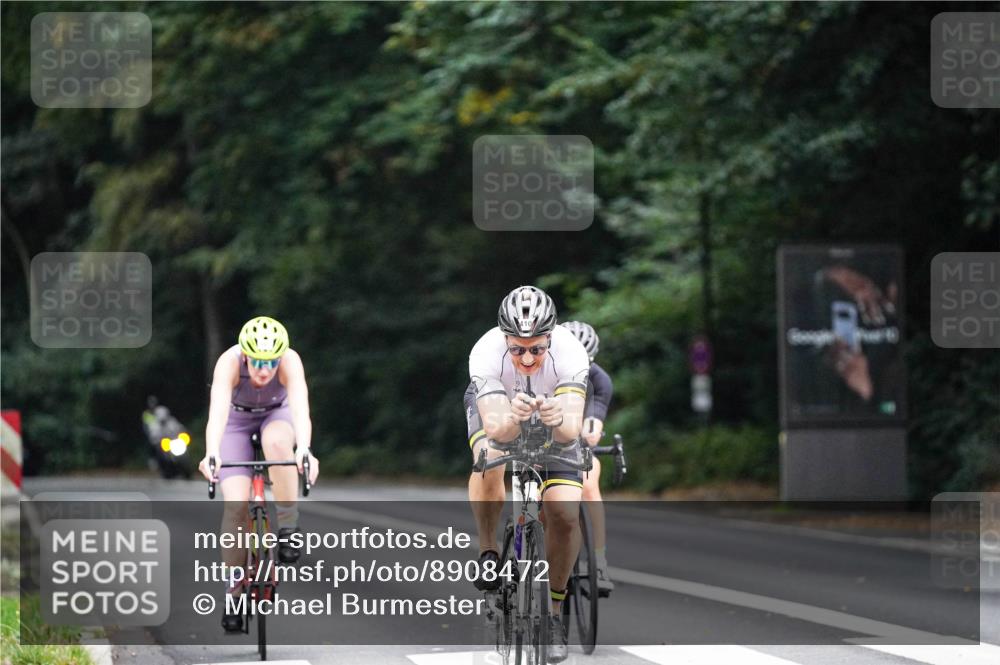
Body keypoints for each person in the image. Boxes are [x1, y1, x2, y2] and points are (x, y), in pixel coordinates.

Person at [466, 286, 589, 663]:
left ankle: (553, 614)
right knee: (488, 457)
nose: (528, 358)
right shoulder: (485, 352)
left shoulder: (571, 351)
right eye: (517, 349)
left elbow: (571, 431)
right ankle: (488, 549)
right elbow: (497, 431)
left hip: (554, 421)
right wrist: (514, 418)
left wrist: (557, 418)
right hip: (501, 412)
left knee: (564, 514)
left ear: (550, 337)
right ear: (504, 339)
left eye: (537, 348)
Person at [198, 316, 320, 633]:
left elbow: (300, 409)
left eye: (271, 362)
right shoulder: (229, 362)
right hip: (236, 423)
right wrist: (211, 452)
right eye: (257, 362)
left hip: (277, 416)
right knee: (235, 506)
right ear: (245, 356)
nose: (264, 370)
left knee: (277, 443)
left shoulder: (290, 361)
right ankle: (234, 594)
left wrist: (304, 449)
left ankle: (288, 525)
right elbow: (217, 413)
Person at [561, 321, 614, 596]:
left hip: (576, 444)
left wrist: (590, 432)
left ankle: (599, 561)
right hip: (540, 441)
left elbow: (593, 421)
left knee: (590, 481)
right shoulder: (539, 370)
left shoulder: (599, 380)